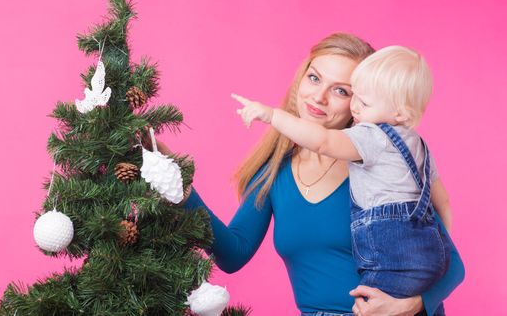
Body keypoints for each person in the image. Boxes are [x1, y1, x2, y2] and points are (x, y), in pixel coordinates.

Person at [182, 33, 464, 316]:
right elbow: (233, 253)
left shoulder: (381, 165)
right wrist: (180, 185)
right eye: (314, 78)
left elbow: (451, 263)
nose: (319, 97)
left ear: (363, 100)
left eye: (341, 91)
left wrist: (408, 306)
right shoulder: (273, 173)